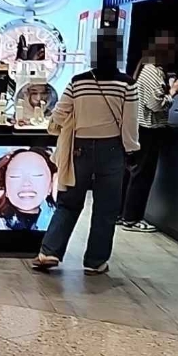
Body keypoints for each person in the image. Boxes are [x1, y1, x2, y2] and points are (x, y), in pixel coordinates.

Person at [33, 28, 139, 274]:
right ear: (118, 54)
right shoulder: (127, 84)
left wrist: (57, 126)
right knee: (106, 208)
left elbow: (60, 113)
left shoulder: (78, 82)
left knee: (69, 202)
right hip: (111, 148)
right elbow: (130, 123)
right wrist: (131, 150)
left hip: (79, 149)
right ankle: (95, 261)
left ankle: (49, 252)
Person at [120, 31, 178, 232]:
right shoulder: (153, 71)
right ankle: (132, 219)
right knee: (142, 175)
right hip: (148, 129)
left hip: (139, 128)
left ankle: (122, 214)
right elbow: (155, 104)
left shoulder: (146, 67)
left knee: (132, 173)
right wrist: (174, 91)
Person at [0, 148, 56, 230]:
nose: (26, 183)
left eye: (37, 175)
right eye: (15, 176)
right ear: (5, 186)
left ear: (50, 185)